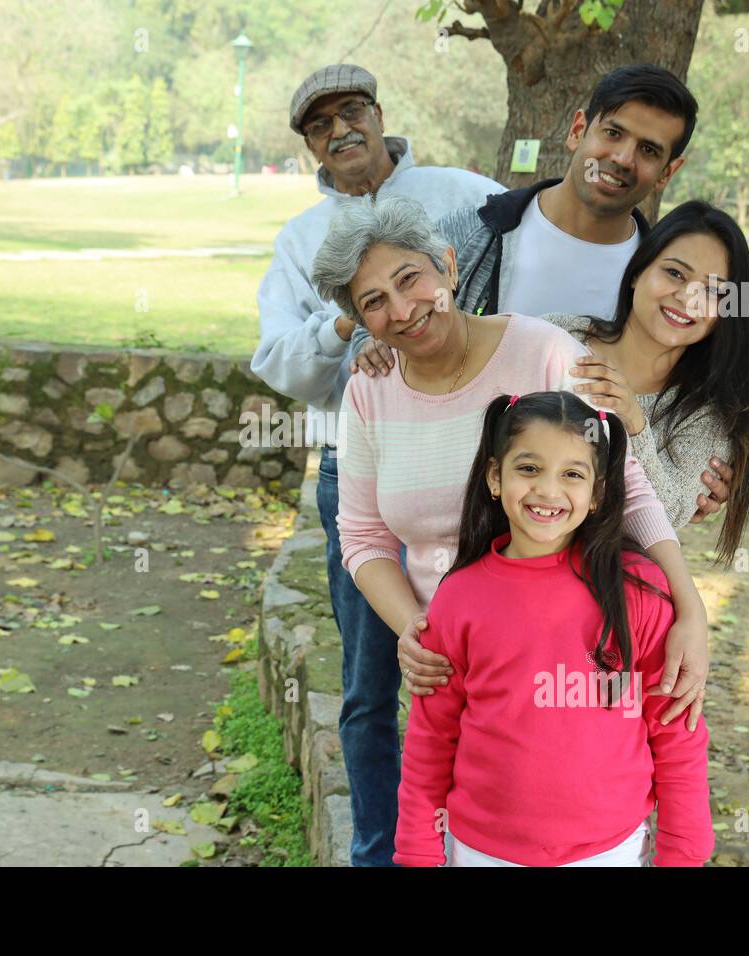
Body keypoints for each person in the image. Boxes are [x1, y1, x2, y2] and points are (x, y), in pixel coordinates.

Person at [313, 196, 711, 851]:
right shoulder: (369, 390)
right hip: (455, 646)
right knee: (443, 791)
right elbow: (361, 536)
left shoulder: (545, 353)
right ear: (358, 321)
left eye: (410, 280)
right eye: (373, 302)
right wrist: (416, 629)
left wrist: (687, 606)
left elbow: (623, 480)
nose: (402, 309)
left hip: (561, 632)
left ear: (447, 264)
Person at [249, 64, 506, 867]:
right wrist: (344, 330)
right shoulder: (300, 241)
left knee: (477, 663)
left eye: (351, 111)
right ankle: (379, 851)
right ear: (309, 146)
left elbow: (518, 290)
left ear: (379, 113)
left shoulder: (463, 195)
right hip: (359, 470)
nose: (340, 130)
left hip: (474, 467)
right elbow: (277, 363)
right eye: (320, 125)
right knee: (370, 685)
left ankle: (477, 839)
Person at [392, 391, 713, 867]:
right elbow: (430, 740)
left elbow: (676, 730)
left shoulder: (639, 592)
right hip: (480, 852)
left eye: (572, 475)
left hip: (612, 852)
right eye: (528, 469)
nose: (547, 490)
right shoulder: (459, 597)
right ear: (495, 478)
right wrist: (417, 851)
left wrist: (683, 853)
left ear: (598, 493)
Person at [548, 200, 749, 557]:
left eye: (713, 291)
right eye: (674, 273)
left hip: (606, 588)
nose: (688, 297)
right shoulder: (560, 337)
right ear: (639, 271)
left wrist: (633, 422)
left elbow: (665, 516)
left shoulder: (707, 415)